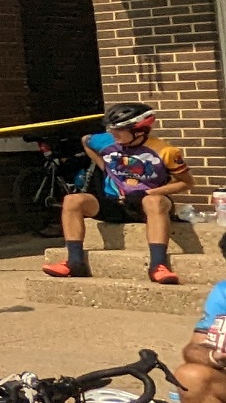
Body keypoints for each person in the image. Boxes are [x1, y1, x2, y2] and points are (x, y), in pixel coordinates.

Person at [45, 100, 195, 284]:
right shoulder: (107, 142)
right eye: (111, 129)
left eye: (118, 130)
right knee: (72, 200)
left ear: (139, 129)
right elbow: (86, 140)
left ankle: (158, 266)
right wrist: (105, 168)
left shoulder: (165, 151)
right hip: (115, 203)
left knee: (154, 202)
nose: (112, 134)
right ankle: (74, 262)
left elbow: (186, 183)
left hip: (147, 206)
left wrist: (150, 193)